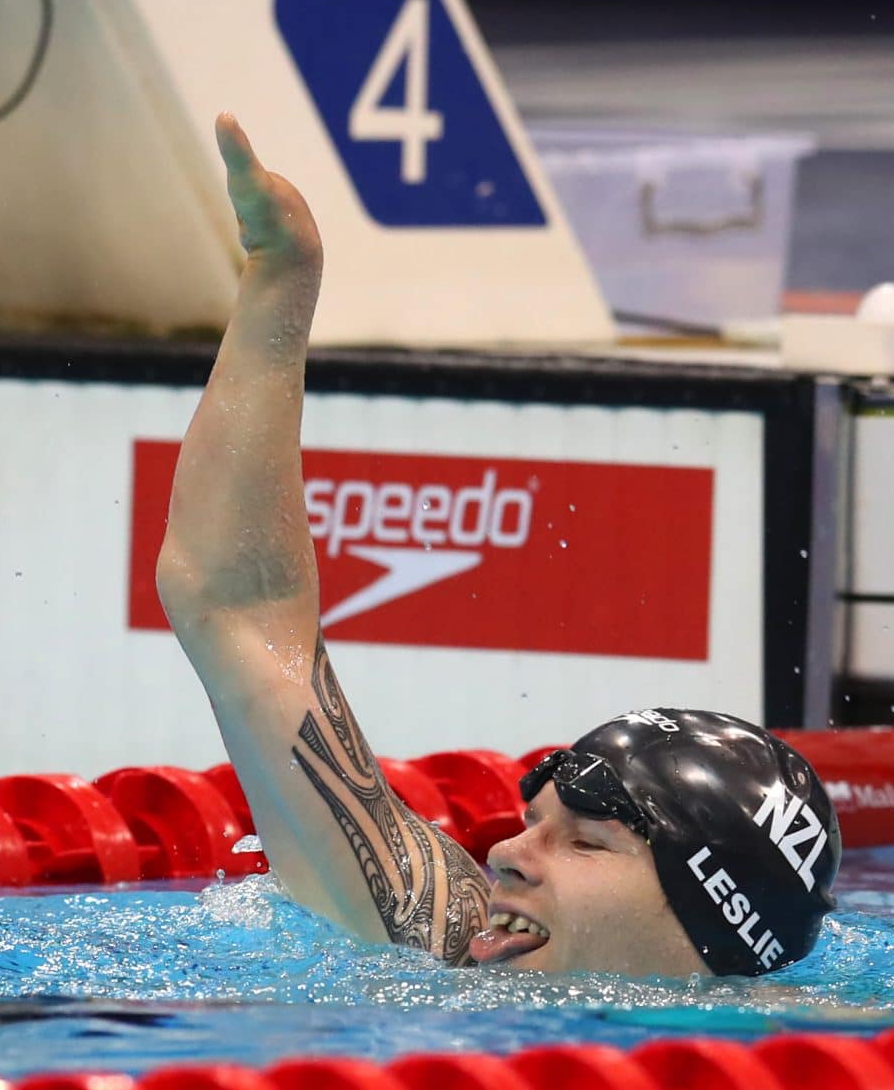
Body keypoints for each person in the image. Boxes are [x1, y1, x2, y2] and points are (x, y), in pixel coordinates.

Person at [154, 113, 841, 978]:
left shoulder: (796, 1060)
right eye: (535, 820)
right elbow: (237, 606)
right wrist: (283, 282)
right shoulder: (438, 931)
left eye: (586, 843)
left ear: (711, 929)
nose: (507, 854)